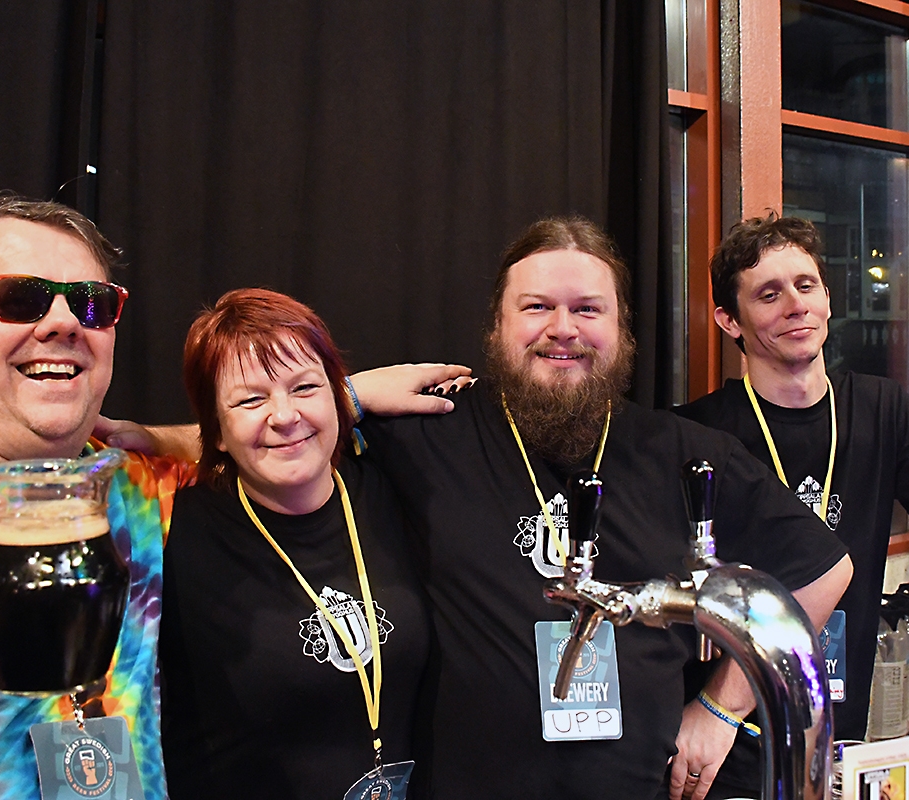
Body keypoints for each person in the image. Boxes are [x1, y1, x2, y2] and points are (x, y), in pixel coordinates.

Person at [0, 192, 467, 800]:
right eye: (20, 298)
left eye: (91, 304)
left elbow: (250, 439)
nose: (63, 322)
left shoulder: (141, 485)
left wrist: (343, 397)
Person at [356, 216, 854, 798]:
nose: (562, 329)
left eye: (588, 310)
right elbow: (277, 437)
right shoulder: (430, 433)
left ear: (621, 328)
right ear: (497, 324)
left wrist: (720, 709)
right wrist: (351, 396)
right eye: (537, 307)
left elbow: (824, 570)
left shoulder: (684, 452)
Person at [674, 214, 909, 799]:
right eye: (768, 295)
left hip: (837, 738)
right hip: (724, 747)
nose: (795, 306)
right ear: (729, 320)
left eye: (806, 285)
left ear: (828, 297)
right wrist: (714, 711)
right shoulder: (697, 433)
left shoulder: (882, 410)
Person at [158, 289, 431, 798]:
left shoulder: (395, 489)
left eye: (304, 387)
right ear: (215, 432)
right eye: (250, 399)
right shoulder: (172, 530)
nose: (284, 416)